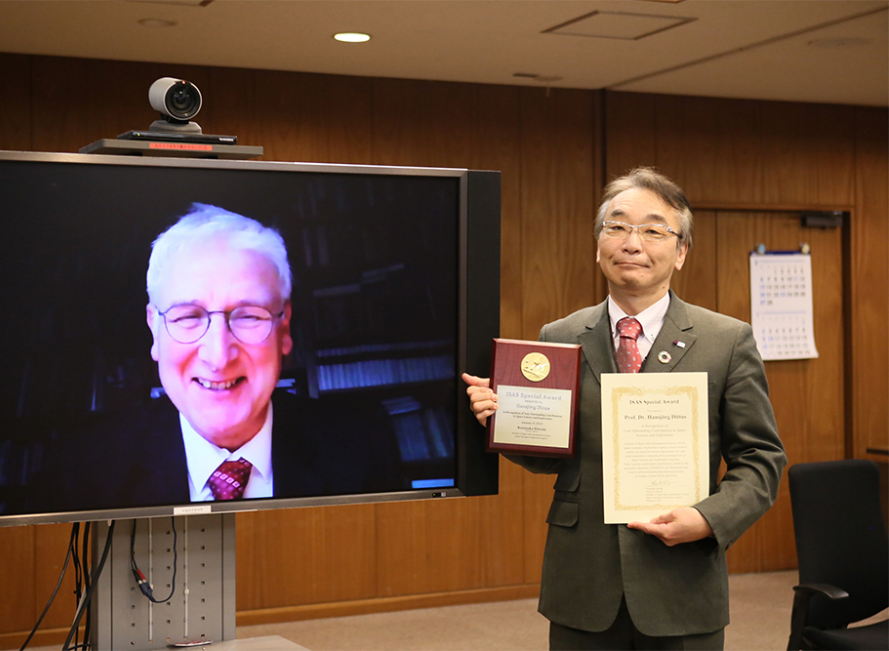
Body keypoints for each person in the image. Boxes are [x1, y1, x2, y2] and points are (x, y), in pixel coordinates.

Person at [463, 168, 786, 650]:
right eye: (617, 227)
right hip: (583, 575)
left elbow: (761, 461)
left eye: (654, 230)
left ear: (680, 253)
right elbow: (551, 454)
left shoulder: (726, 340)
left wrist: (708, 520)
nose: (632, 243)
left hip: (681, 578)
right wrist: (503, 418)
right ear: (598, 246)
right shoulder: (560, 336)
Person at [44, 203, 402, 510]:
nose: (218, 357)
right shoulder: (81, 468)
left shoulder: (364, 448)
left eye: (248, 316)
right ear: (154, 329)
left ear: (284, 327)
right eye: (187, 317)